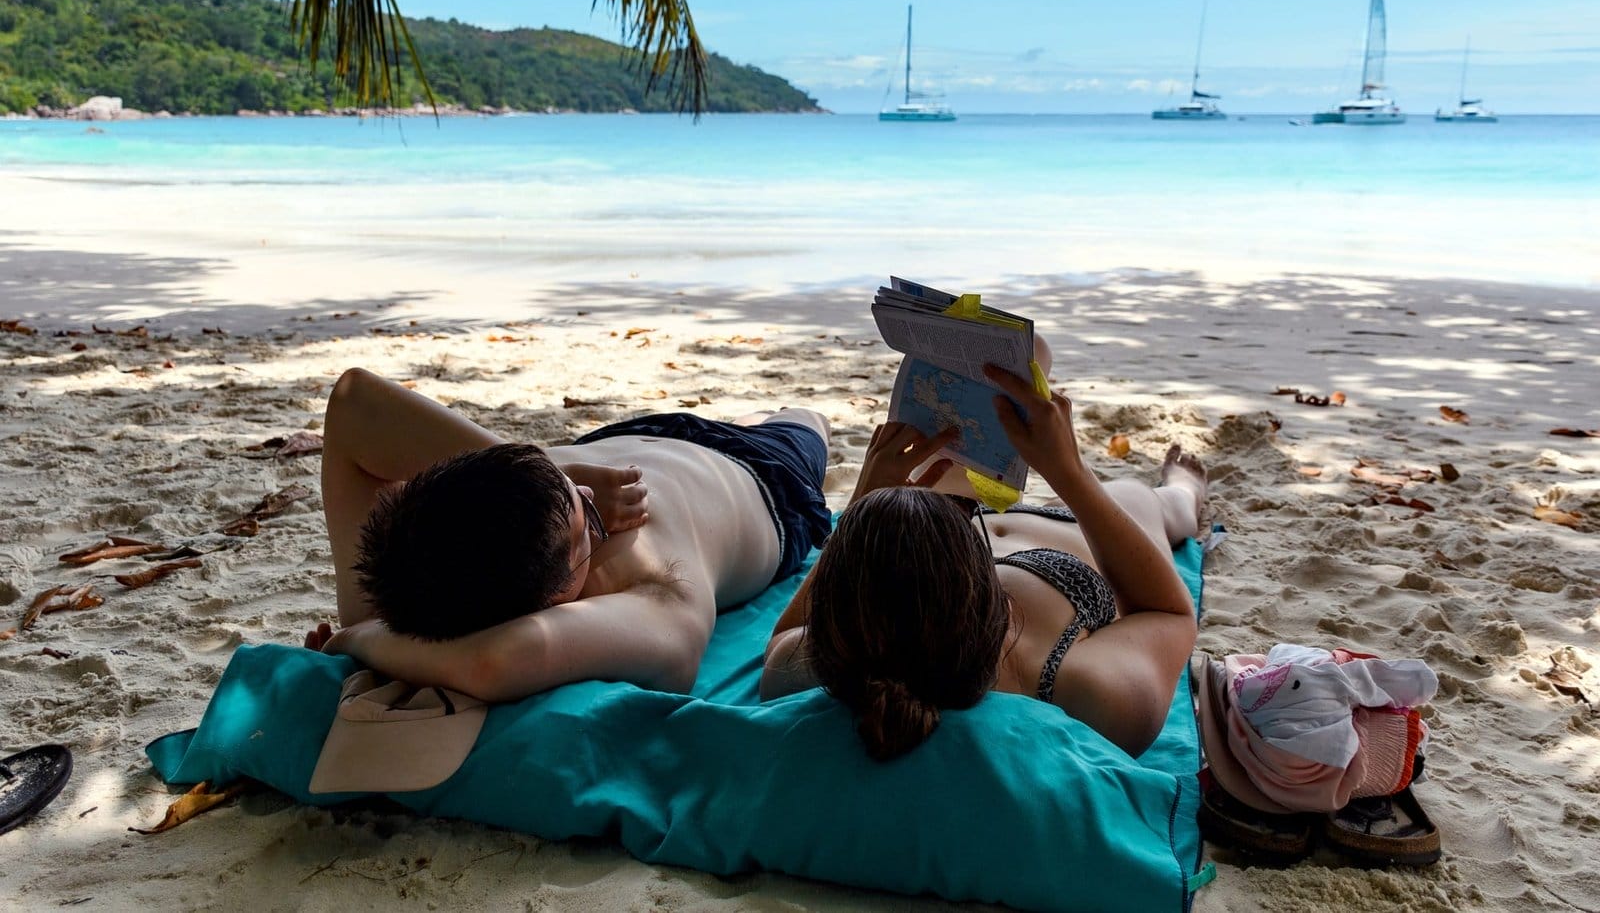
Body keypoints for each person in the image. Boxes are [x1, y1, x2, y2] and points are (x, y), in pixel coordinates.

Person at [760, 362, 1203, 761]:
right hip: (1078, 531)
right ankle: (1184, 490)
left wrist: (864, 504)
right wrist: (1072, 475)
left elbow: (785, 636)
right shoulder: (1087, 692)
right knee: (1145, 499)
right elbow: (1169, 614)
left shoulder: (812, 667)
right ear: (1000, 606)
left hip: (926, 545)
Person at [304, 368, 832, 702]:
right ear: (557, 596)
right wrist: (361, 639)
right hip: (760, 474)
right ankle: (769, 418)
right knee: (809, 416)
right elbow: (495, 661)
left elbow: (353, 399)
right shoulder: (660, 590)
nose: (594, 496)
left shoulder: (402, 567)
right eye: (591, 522)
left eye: (572, 488)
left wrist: (560, 466)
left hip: (622, 437)